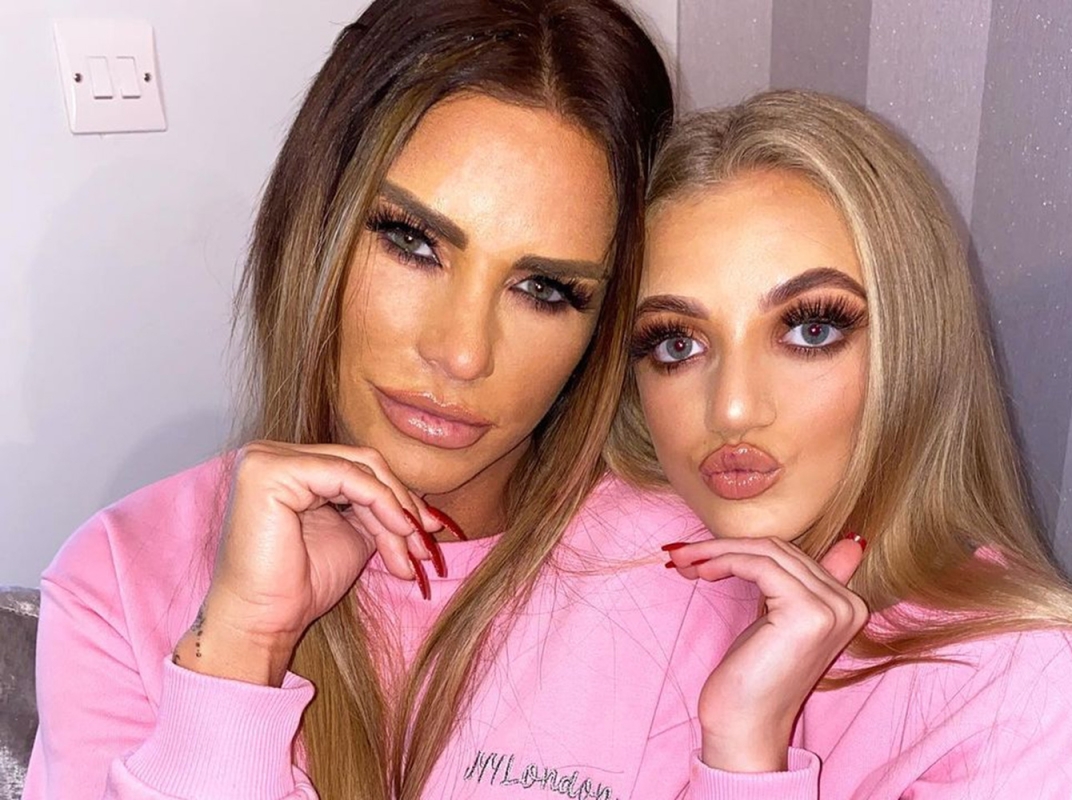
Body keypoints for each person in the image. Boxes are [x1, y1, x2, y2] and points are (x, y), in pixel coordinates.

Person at [19, 2, 758, 798]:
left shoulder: (691, 573)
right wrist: (241, 652)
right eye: (413, 242)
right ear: (315, 223)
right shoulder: (120, 578)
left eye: (545, 289)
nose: (461, 353)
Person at [607, 90, 1072, 797]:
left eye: (811, 329)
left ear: (913, 349)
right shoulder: (643, 582)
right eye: (675, 342)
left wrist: (744, 749)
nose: (732, 409)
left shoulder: (1027, 686)